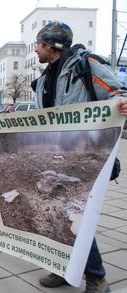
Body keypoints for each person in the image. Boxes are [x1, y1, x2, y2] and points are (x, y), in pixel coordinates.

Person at [33, 21, 127, 293]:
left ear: (50, 46)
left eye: (38, 44)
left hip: (84, 156)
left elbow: (115, 93)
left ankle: (96, 277)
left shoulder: (85, 65)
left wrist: (122, 102)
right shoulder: (44, 78)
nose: (36, 50)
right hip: (54, 157)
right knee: (55, 212)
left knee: (75, 216)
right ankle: (62, 267)